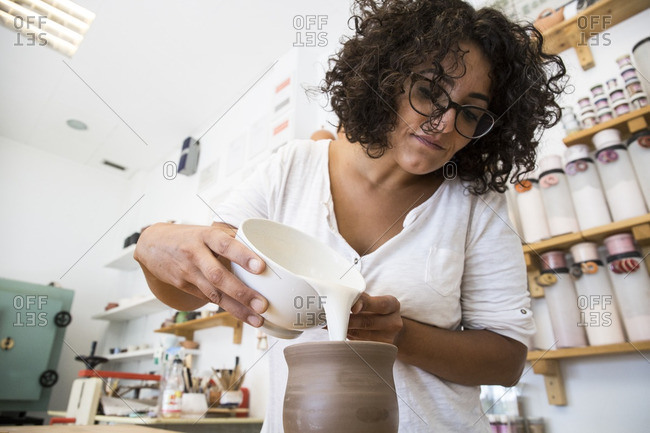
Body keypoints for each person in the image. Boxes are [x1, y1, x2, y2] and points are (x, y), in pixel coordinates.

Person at [135, 0, 566, 431]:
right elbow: (194, 286)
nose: (445, 123)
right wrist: (155, 245)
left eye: (470, 112)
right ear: (389, 78)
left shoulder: (475, 202)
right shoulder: (291, 168)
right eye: (430, 93)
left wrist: (399, 336)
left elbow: (507, 361)